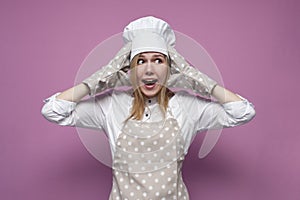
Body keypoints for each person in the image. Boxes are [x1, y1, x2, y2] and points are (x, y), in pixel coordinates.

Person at [41, 16, 255, 200]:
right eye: (140, 61)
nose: (149, 70)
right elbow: (54, 110)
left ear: (170, 68)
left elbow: (241, 112)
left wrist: (194, 78)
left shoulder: (187, 106)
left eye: (158, 60)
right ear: (129, 69)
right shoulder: (112, 105)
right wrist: (102, 77)